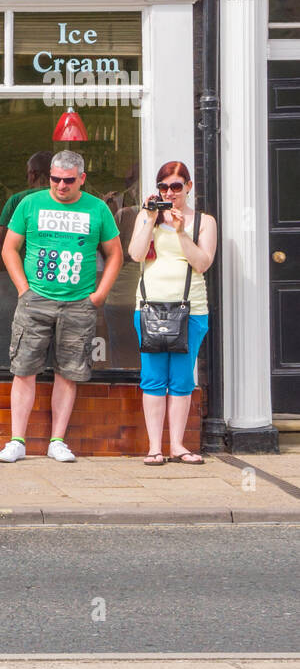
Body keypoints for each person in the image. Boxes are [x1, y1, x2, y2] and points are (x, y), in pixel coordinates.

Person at [0, 149, 123, 463]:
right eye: (55, 179)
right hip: (35, 298)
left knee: (68, 372)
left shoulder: (97, 209)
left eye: (68, 181)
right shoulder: (30, 203)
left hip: (78, 302)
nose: (61, 186)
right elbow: (9, 248)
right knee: (23, 369)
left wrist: (98, 296)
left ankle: (57, 440)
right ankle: (17, 440)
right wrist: (23, 290)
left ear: (82, 178)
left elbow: (115, 254)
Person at [127, 160, 217, 465]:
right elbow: (136, 254)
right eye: (163, 187)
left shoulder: (203, 221)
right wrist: (150, 219)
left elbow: (202, 263)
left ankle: (178, 445)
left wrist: (180, 232)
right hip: (150, 307)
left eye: (176, 186)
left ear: (188, 187)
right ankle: (155, 447)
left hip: (189, 307)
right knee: (153, 377)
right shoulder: (148, 216)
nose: (170, 192)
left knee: (181, 378)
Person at [0, 150, 53, 267]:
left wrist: (3, 280)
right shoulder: (70, 200)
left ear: (33, 174)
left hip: (22, 275)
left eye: (27, 175)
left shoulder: (17, 200)